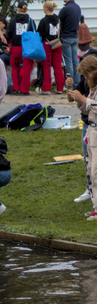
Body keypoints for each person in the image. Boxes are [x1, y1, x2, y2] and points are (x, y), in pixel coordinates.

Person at [65, 46, 97, 203]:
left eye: (87, 73)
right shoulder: (86, 80)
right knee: (88, 161)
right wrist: (68, 88)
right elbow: (73, 99)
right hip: (88, 125)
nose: (85, 77)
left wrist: (84, 100)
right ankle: (90, 190)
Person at [6, 0, 36, 95]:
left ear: (18, 9)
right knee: (27, 67)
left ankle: (16, 87)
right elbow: (34, 34)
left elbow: (9, 34)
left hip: (16, 46)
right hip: (28, 47)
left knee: (15, 66)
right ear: (26, 9)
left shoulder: (13, 20)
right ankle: (25, 90)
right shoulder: (31, 21)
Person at [37, 1, 64, 95]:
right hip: (57, 43)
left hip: (47, 44)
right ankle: (60, 88)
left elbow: (40, 34)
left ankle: (46, 88)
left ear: (46, 9)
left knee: (47, 66)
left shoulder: (43, 21)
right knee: (57, 66)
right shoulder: (58, 19)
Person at [59, 0, 81, 86]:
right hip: (75, 36)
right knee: (75, 60)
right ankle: (77, 82)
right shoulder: (77, 7)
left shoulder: (65, 9)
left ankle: (69, 83)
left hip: (66, 36)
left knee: (68, 61)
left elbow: (58, 22)